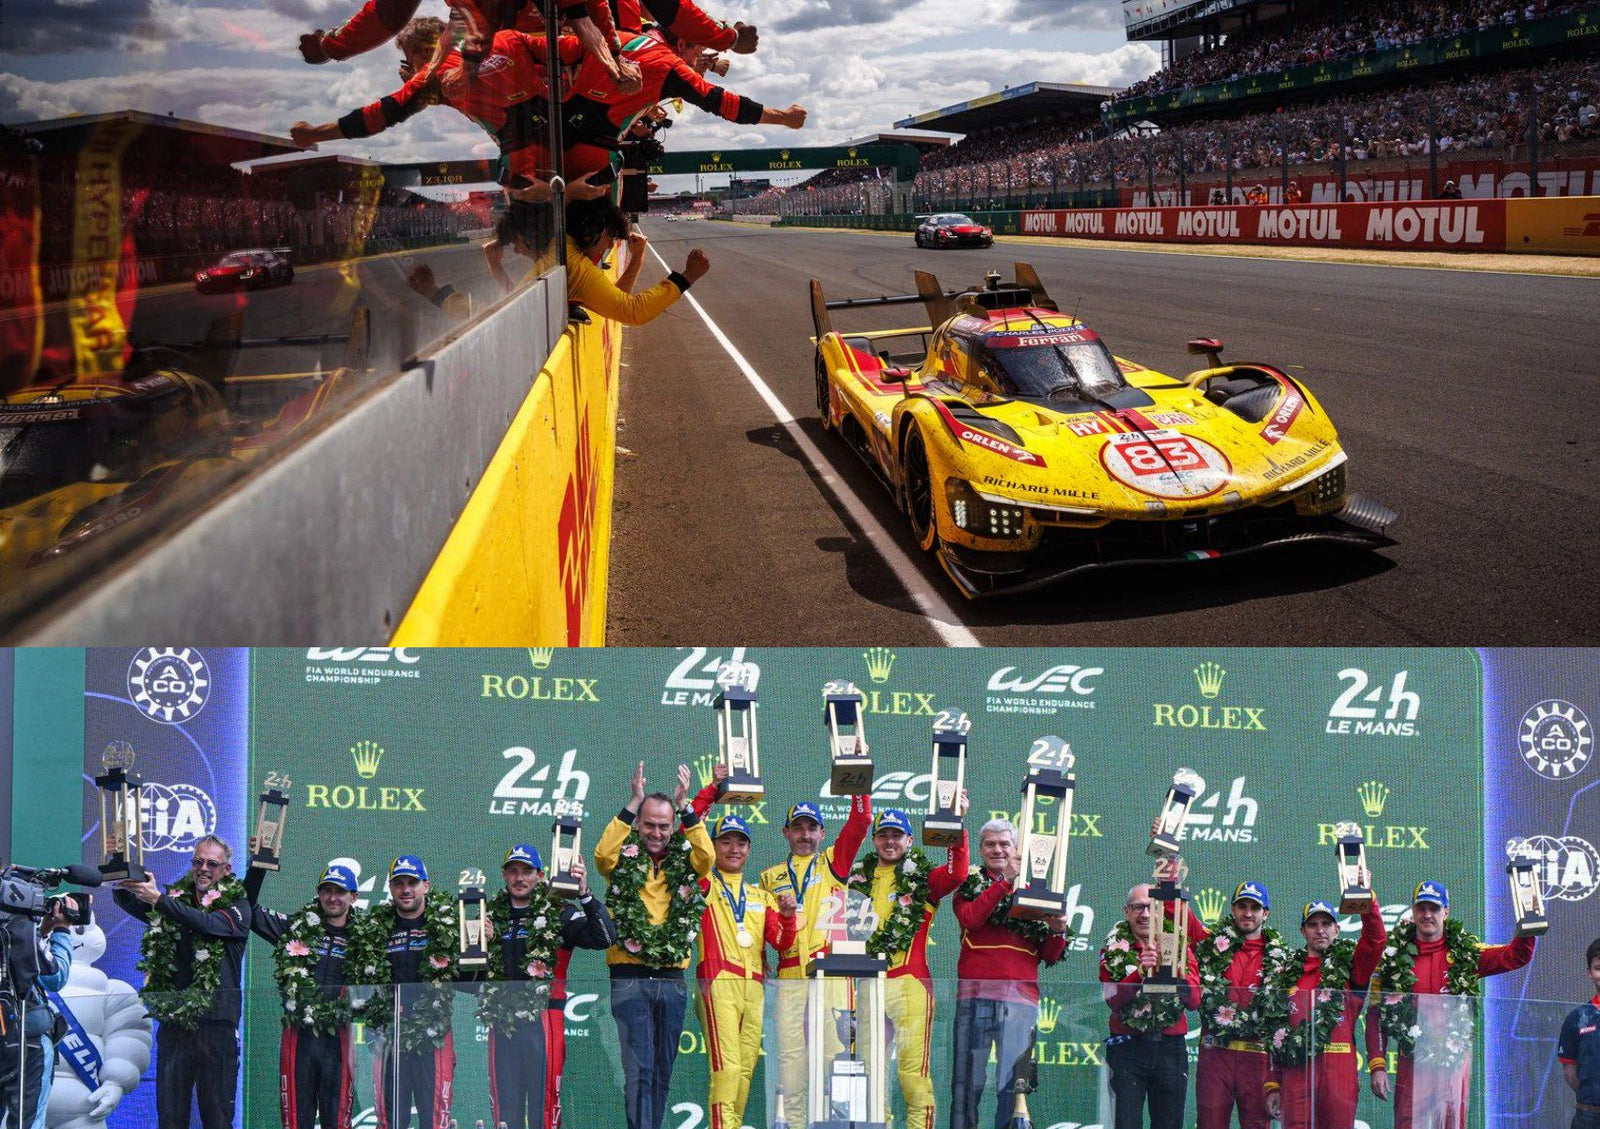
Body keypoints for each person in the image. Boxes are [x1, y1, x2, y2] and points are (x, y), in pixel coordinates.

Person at [595, 762, 715, 1129]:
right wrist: (633, 801)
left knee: (662, 1068)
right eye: (649, 824)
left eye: (664, 826)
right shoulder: (621, 858)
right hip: (629, 974)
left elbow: (707, 858)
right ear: (638, 824)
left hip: (672, 977)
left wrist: (687, 808)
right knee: (640, 1067)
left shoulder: (685, 858)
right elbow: (601, 856)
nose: (657, 832)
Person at [1364, 880, 1536, 1129]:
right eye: (1421, 908)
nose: (1427, 915)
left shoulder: (1465, 954)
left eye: (1434, 908)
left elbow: (1516, 956)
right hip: (1412, 1063)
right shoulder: (1393, 958)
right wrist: (1377, 1065)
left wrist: (1529, 922)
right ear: (1413, 911)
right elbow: (1375, 1014)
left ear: (1446, 911)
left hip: (1452, 1066)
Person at [845, 803, 970, 1129]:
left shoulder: (923, 879)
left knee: (913, 1076)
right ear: (873, 840)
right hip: (869, 985)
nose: (890, 841)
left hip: (910, 983)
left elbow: (957, 873)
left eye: (897, 835)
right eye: (883, 835)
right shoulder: (857, 879)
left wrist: (957, 824)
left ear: (910, 840)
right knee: (870, 1076)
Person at [112, 835, 251, 1129]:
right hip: (176, 1027)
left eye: (212, 864)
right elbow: (134, 904)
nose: (203, 869)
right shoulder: (175, 902)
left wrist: (159, 899)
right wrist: (121, 870)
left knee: (217, 1118)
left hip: (217, 1027)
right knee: (171, 1117)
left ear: (226, 870)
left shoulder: (238, 905)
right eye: (198, 862)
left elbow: (209, 925)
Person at [243, 854, 385, 1129]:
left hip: (339, 1040)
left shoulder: (367, 938)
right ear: (318, 894)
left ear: (354, 896)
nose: (333, 898)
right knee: (296, 1122)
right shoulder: (297, 928)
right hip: (300, 1039)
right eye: (326, 890)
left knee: (337, 1122)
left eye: (340, 891)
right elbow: (247, 909)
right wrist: (257, 867)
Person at [559, 26, 807, 181]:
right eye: (697, 53)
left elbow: (558, 48)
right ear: (680, 44)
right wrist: (783, 117)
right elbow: (722, 103)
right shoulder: (670, 65)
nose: (696, 59)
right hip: (590, 154)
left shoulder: (623, 36)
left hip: (555, 128)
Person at [757, 789, 871, 1124]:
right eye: (798, 828)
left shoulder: (834, 862)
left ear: (822, 833)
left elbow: (861, 821)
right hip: (790, 973)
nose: (805, 835)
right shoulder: (769, 876)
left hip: (829, 974)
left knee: (831, 1061)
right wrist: (762, 956)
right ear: (786, 832)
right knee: (790, 1067)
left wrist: (858, 781)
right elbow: (764, 924)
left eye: (812, 829)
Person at [482, 844, 615, 1129]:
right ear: (504, 875)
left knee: (545, 1105)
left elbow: (604, 937)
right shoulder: (488, 916)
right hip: (502, 1022)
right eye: (513, 871)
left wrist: (585, 893)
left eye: (527, 871)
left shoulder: (560, 913)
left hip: (545, 1019)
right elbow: (467, 979)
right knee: (504, 1110)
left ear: (540, 875)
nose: (520, 878)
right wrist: (479, 943)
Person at [950, 818, 1070, 1129]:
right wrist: (1005, 881)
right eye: (990, 844)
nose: (998, 849)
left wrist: (1058, 930)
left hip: (1021, 1002)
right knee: (967, 1085)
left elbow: (1050, 955)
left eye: (1004, 844)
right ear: (980, 850)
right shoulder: (968, 886)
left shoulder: (1034, 892)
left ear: (1016, 849)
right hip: (974, 999)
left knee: (1012, 1088)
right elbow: (972, 918)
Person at [693, 810, 797, 1129]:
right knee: (726, 1069)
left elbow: (779, 941)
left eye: (741, 842)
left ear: (749, 849)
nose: (734, 849)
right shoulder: (704, 884)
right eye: (726, 841)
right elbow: (692, 850)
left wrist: (789, 916)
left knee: (745, 1070)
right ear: (713, 846)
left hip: (754, 989)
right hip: (718, 982)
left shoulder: (761, 896)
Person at [1259, 890, 1385, 1129]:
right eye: (1313, 924)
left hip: (1339, 1071)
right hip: (1296, 1072)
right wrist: (1273, 1083)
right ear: (1302, 931)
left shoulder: (1352, 968)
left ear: (1337, 930)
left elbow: (1375, 940)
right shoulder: (1285, 975)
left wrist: (1367, 896)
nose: (1320, 930)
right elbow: (1275, 1033)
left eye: (1326, 924)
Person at [367, 855, 467, 1129]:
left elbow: (472, 977)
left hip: (434, 1039)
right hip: (390, 1038)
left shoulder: (446, 928)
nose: (406, 889)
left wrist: (483, 942)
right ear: (390, 887)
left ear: (426, 885)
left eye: (412, 882)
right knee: (389, 1121)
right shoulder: (375, 931)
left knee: (434, 1120)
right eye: (399, 883)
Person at [1099, 876, 1202, 1129]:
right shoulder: (1114, 948)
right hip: (1127, 1048)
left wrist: (1177, 974)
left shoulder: (1178, 944)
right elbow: (1111, 999)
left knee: (1169, 1124)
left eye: (1150, 906)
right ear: (1127, 912)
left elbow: (1195, 1002)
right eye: (1137, 907)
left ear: (1160, 909)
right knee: (1126, 1123)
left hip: (1171, 1048)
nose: (1144, 914)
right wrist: (1138, 974)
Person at [1193, 882, 1287, 1129]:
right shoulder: (1213, 945)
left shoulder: (1281, 959)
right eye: (1242, 906)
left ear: (1265, 913)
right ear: (1232, 909)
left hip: (1256, 1058)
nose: (1248, 913)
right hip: (1215, 1055)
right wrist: (1169, 876)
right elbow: (1183, 920)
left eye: (1255, 907)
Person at [0, 895, 74, 1129]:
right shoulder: (18, 926)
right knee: (27, 1122)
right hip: (24, 1037)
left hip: (17, 1033)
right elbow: (54, 977)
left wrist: (41, 933)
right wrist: (62, 929)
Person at [1557, 937, 1600, 1128]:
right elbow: (1571, 1076)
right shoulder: (1576, 1018)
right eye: (1599, 968)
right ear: (1589, 973)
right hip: (1588, 1118)